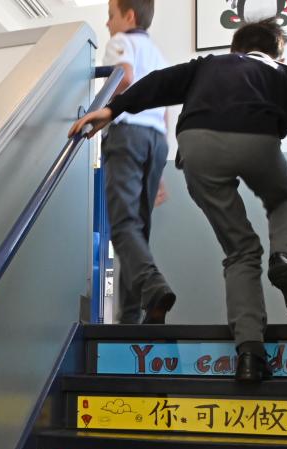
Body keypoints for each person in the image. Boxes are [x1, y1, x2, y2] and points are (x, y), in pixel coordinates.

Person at [71, 18, 287, 381]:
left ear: (236, 47)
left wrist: (112, 109)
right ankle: (285, 254)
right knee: (284, 198)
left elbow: (159, 83)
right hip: (256, 139)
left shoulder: (208, 65)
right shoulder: (279, 73)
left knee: (240, 250)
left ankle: (250, 354)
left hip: (196, 146)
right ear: (277, 54)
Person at [99, 0, 174, 324]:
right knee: (137, 230)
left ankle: (152, 285)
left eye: (110, 16)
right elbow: (167, 111)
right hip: (155, 141)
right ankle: (129, 318)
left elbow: (124, 77)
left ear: (129, 17)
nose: (107, 24)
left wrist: (102, 110)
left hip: (127, 135)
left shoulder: (120, 42)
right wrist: (159, 173)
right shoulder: (158, 57)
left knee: (123, 224)